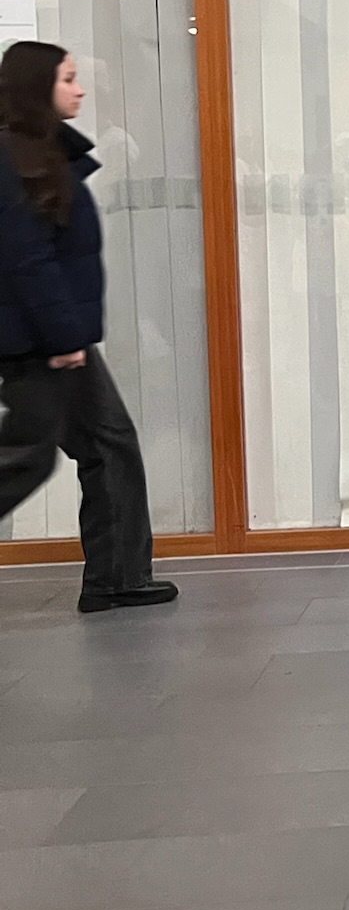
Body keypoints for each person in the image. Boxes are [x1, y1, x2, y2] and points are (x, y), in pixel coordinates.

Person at [0, 42, 177, 613]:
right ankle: (116, 577)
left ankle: (117, 577)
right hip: (40, 340)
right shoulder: (11, 158)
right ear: (38, 86)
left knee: (105, 443)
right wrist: (64, 338)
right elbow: (26, 259)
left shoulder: (40, 151)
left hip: (53, 334)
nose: (79, 90)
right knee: (30, 455)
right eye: (68, 79)